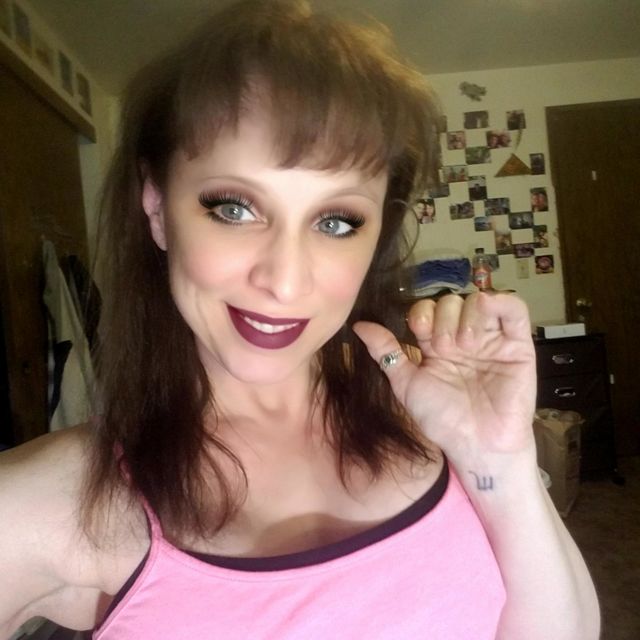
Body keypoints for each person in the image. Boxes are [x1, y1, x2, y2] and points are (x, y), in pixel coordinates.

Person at [0, 1, 599, 639]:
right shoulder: (58, 502)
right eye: (233, 209)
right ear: (156, 208)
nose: (285, 281)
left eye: (336, 221)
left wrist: (498, 463)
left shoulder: (431, 420)